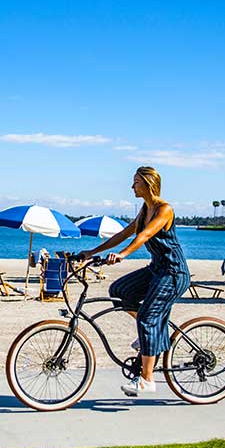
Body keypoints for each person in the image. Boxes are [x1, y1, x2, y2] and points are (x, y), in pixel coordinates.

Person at [77, 166, 190, 397]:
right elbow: (123, 234)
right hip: (157, 269)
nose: (132, 187)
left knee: (148, 318)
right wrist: (92, 252)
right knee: (119, 290)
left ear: (149, 183)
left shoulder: (164, 209)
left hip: (174, 272)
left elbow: (145, 235)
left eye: (136, 182)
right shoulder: (145, 209)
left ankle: (147, 380)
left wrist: (123, 254)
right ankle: (154, 332)